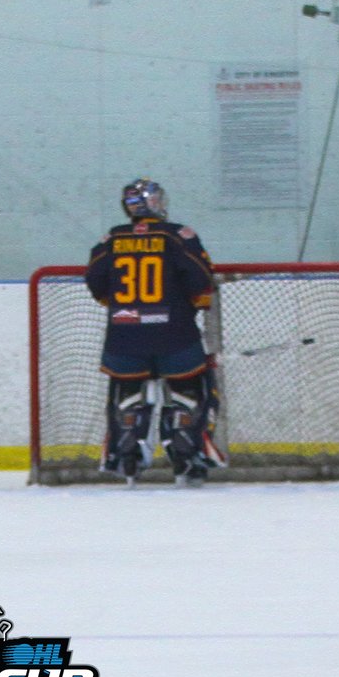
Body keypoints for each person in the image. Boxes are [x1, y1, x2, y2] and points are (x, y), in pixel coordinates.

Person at [85, 178, 226, 487]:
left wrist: (125, 308)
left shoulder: (111, 238)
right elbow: (201, 283)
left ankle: (126, 453)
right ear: (153, 203)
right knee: (192, 388)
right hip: (174, 334)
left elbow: (95, 282)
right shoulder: (178, 235)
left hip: (123, 336)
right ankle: (186, 453)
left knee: (126, 390)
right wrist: (195, 299)